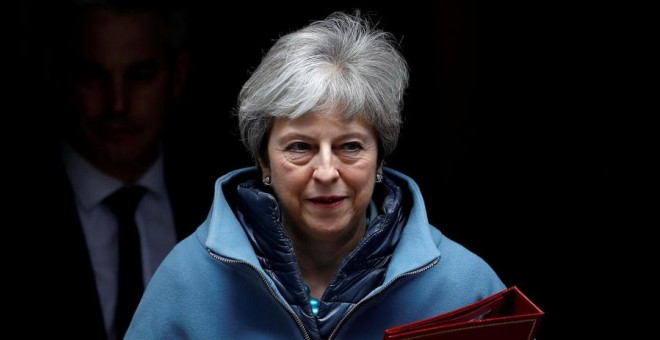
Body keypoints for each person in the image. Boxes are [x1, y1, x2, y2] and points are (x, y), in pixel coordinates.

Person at [126, 10, 506, 339]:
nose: (326, 171)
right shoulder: (188, 280)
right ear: (263, 161)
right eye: (300, 147)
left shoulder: (464, 287)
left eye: (351, 146)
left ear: (380, 160)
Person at [16, 1, 231, 339]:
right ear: (58, 75)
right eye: (92, 75)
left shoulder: (228, 205)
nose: (117, 104)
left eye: (140, 75)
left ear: (178, 74)